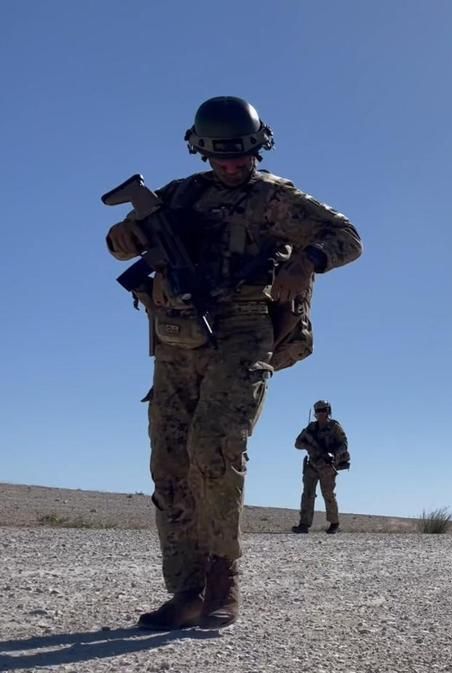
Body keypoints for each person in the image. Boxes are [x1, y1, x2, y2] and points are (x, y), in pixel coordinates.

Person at [105, 96, 363, 630]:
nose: (230, 167)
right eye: (220, 157)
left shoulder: (275, 198)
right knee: (171, 463)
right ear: (200, 150)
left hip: (244, 330)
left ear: (257, 149)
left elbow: (347, 238)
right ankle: (186, 592)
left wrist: (307, 261)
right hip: (178, 336)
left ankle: (224, 582)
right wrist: (124, 237)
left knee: (215, 448)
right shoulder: (178, 197)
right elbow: (119, 247)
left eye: (240, 157)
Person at [292, 400, 350, 534]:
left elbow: (344, 444)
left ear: (328, 411)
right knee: (307, 494)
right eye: (318, 411)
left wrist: (333, 453)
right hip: (312, 464)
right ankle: (304, 524)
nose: (320, 413)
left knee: (328, 494)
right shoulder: (311, 428)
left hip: (327, 466)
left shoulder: (334, 427)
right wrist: (309, 446)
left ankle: (334, 523)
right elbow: (297, 443)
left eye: (323, 410)